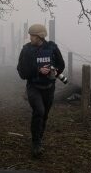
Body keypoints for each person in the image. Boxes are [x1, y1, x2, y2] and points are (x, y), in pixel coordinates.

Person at [16, 23, 65, 158]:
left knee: (44, 115)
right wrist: (38, 70)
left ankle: (39, 137)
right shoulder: (26, 50)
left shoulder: (52, 48)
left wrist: (53, 69)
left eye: (32, 35)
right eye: (30, 35)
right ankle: (36, 143)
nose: (30, 38)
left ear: (40, 36)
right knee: (39, 111)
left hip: (49, 87)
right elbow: (22, 72)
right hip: (33, 87)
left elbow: (61, 65)